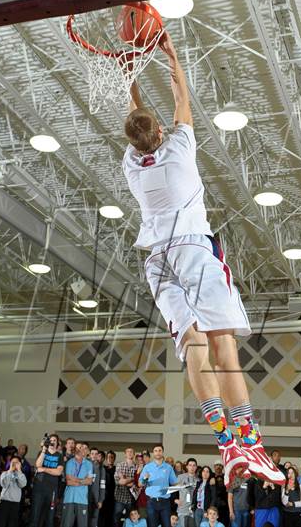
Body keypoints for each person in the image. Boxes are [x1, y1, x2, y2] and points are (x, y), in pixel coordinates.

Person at [123, 32, 284, 489]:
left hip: (157, 260)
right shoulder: (179, 147)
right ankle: (249, 440)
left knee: (194, 346)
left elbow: (137, 122)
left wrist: (131, 78)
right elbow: (180, 96)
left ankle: (224, 444)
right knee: (224, 346)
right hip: (193, 247)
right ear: (161, 134)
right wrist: (170, 56)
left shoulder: (132, 166)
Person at [28, 433, 64, 527]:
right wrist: (44, 449)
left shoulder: (59, 456)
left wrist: (44, 469)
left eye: (54, 441)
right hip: (39, 489)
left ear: (57, 443)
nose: (52, 442)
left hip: (52, 490)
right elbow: (38, 465)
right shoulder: (42, 453)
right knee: (35, 517)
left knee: (50, 518)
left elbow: (58, 472)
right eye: (50, 440)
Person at [139, 443, 178, 527]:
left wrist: (184, 484)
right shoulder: (147, 467)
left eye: (160, 450)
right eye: (156, 451)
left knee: (167, 525)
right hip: (151, 501)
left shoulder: (168, 467)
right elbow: (140, 484)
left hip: (165, 502)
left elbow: (175, 483)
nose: (158, 452)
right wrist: (145, 479)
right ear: (153, 453)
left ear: (162, 452)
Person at [61, 442, 94, 527]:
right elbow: (68, 481)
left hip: (82, 499)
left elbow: (90, 481)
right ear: (75, 450)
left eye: (83, 448)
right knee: (66, 524)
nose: (81, 449)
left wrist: (76, 481)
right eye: (79, 448)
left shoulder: (89, 464)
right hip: (69, 498)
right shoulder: (69, 463)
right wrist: (83, 480)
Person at [0, 455, 27, 527]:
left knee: (12, 523)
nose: (14, 464)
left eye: (17, 463)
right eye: (13, 462)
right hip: (5, 501)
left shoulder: (21, 475)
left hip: (15, 503)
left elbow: (22, 484)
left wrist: (19, 471)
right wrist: (10, 471)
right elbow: (4, 484)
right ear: (10, 463)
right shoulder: (4, 473)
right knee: (2, 522)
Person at [114, 447, 137, 527]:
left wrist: (124, 480)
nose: (130, 453)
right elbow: (118, 481)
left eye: (131, 452)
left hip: (131, 499)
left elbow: (137, 483)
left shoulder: (136, 467)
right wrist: (131, 479)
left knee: (130, 521)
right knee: (116, 520)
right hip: (120, 497)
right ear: (125, 454)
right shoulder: (120, 465)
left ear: (134, 454)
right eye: (128, 451)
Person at [176, 458, 199, 527]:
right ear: (187, 466)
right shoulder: (180, 477)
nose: (192, 467)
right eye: (190, 465)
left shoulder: (199, 480)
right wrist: (175, 500)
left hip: (193, 509)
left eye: (194, 465)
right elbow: (173, 490)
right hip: (182, 508)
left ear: (196, 467)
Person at [89, 447, 106, 527]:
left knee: (94, 519)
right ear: (89, 455)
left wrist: (101, 500)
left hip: (96, 498)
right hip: (84, 498)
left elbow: (102, 486)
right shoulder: (85, 465)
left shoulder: (101, 468)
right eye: (92, 453)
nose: (94, 455)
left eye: (96, 454)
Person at [100, 450, 116, 527]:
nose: (110, 459)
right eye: (108, 457)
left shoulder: (117, 469)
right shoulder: (102, 468)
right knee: (103, 516)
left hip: (114, 496)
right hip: (104, 496)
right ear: (106, 459)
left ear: (114, 459)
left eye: (112, 457)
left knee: (112, 516)